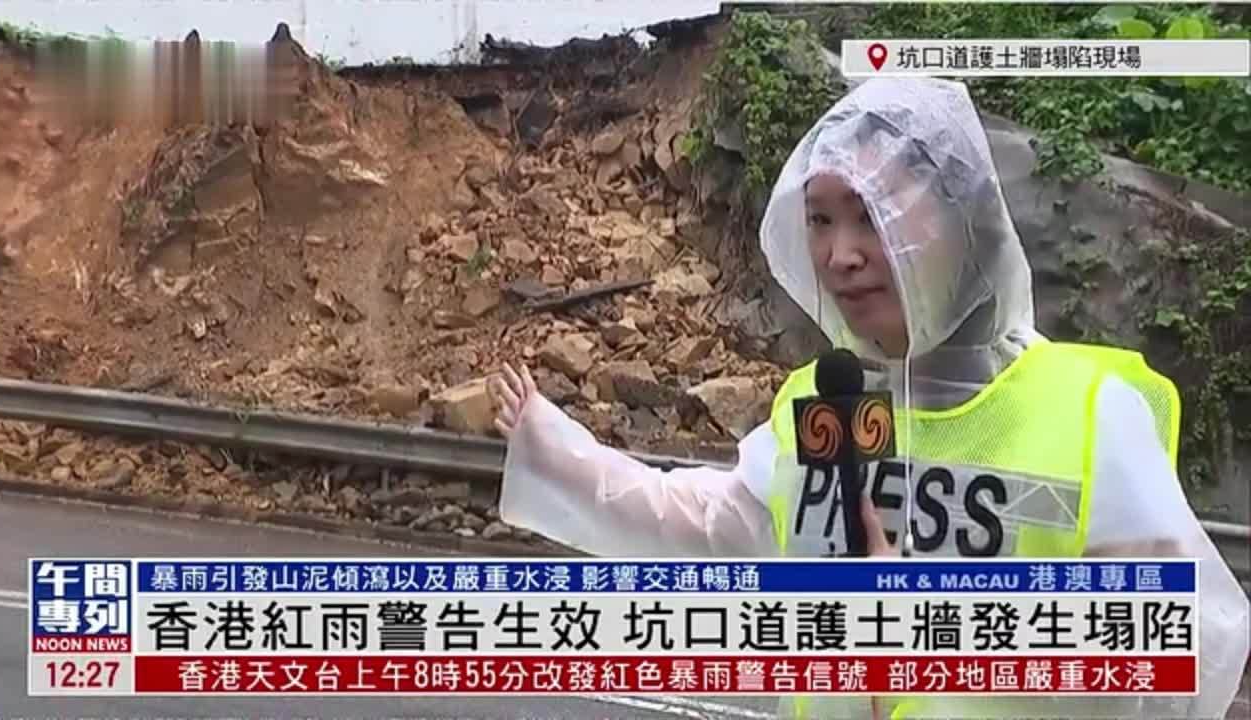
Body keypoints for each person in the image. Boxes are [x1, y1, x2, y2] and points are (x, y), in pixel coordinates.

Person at [488, 77, 1249, 719]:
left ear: (960, 221)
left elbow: (1189, 649)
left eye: (871, 216)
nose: (839, 256)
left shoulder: (1085, 413)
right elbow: (715, 532)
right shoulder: (825, 406)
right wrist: (561, 455)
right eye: (820, 220)